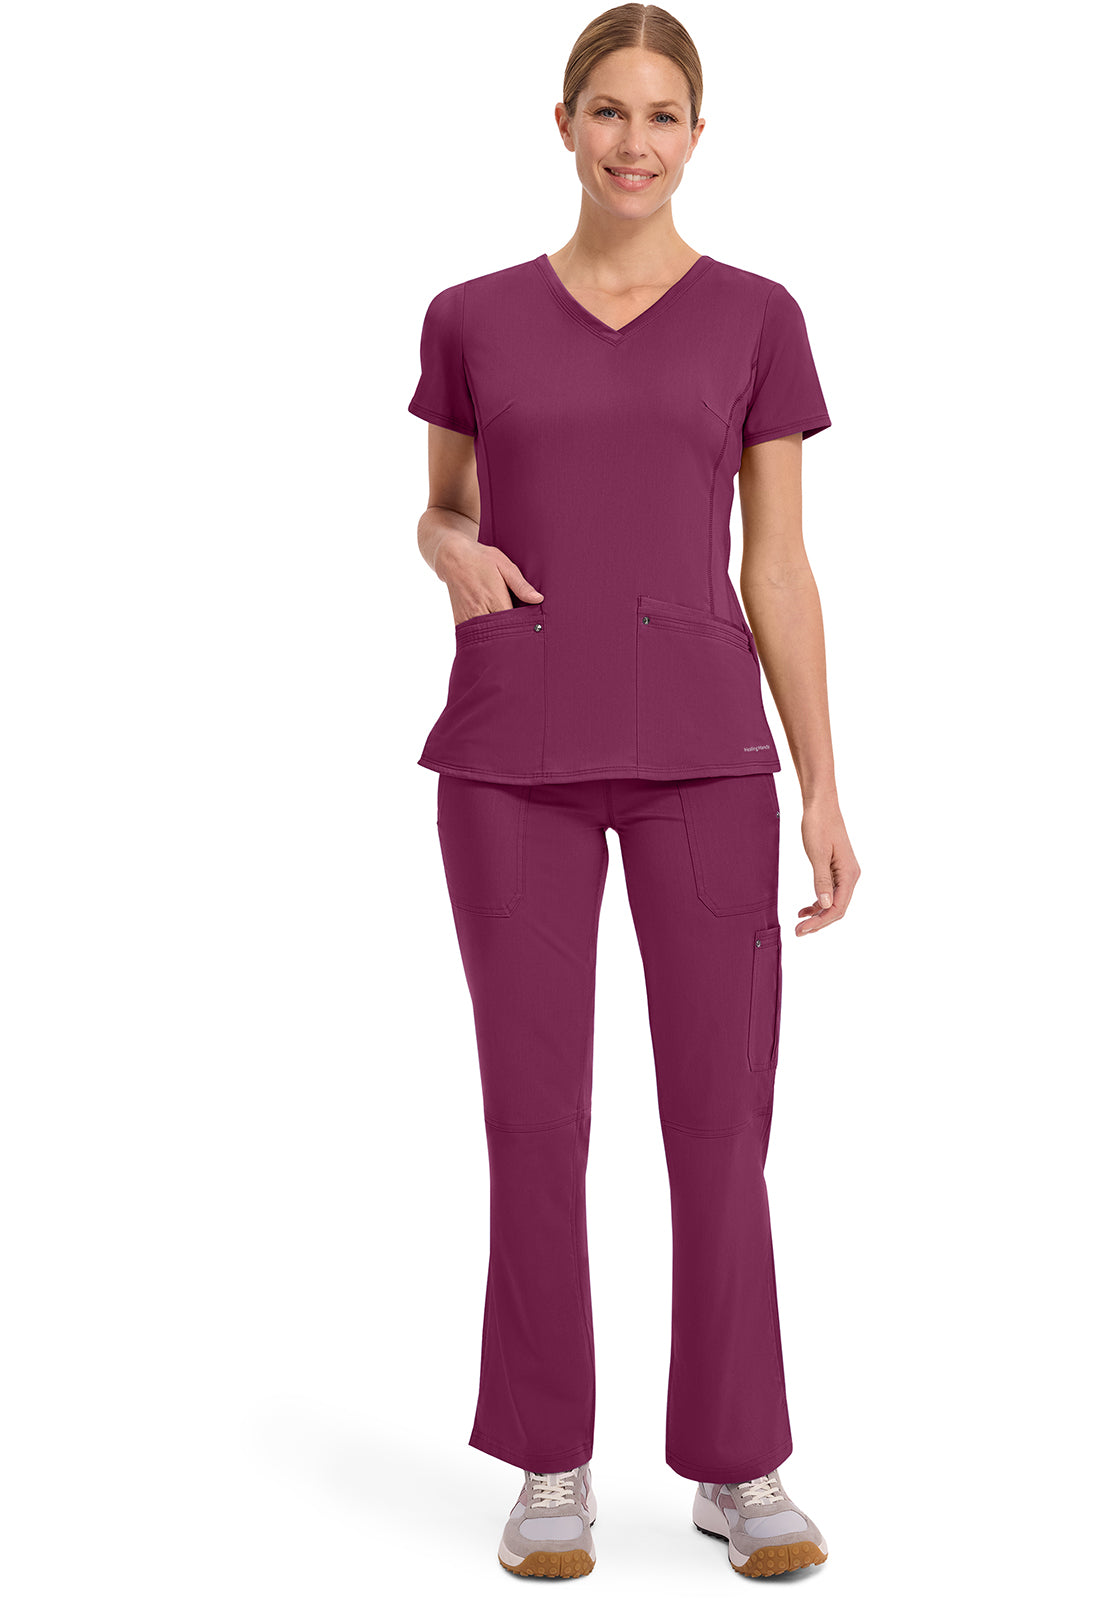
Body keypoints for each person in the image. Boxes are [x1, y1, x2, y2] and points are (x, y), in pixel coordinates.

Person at [406, 3, 859, 1580]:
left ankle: (739, 1464)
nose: (634, 141)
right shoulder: (471, 316)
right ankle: (550, 1460)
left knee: (720, 1124)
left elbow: (778, 564)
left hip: (705, 761)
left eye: (663, 115)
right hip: (510, 761)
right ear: (564, 123)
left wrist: (823, 785)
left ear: (698, 135)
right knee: (534, 1119)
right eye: (609, 110)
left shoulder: (757, 318)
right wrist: (447, 550)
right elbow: (442, 508)